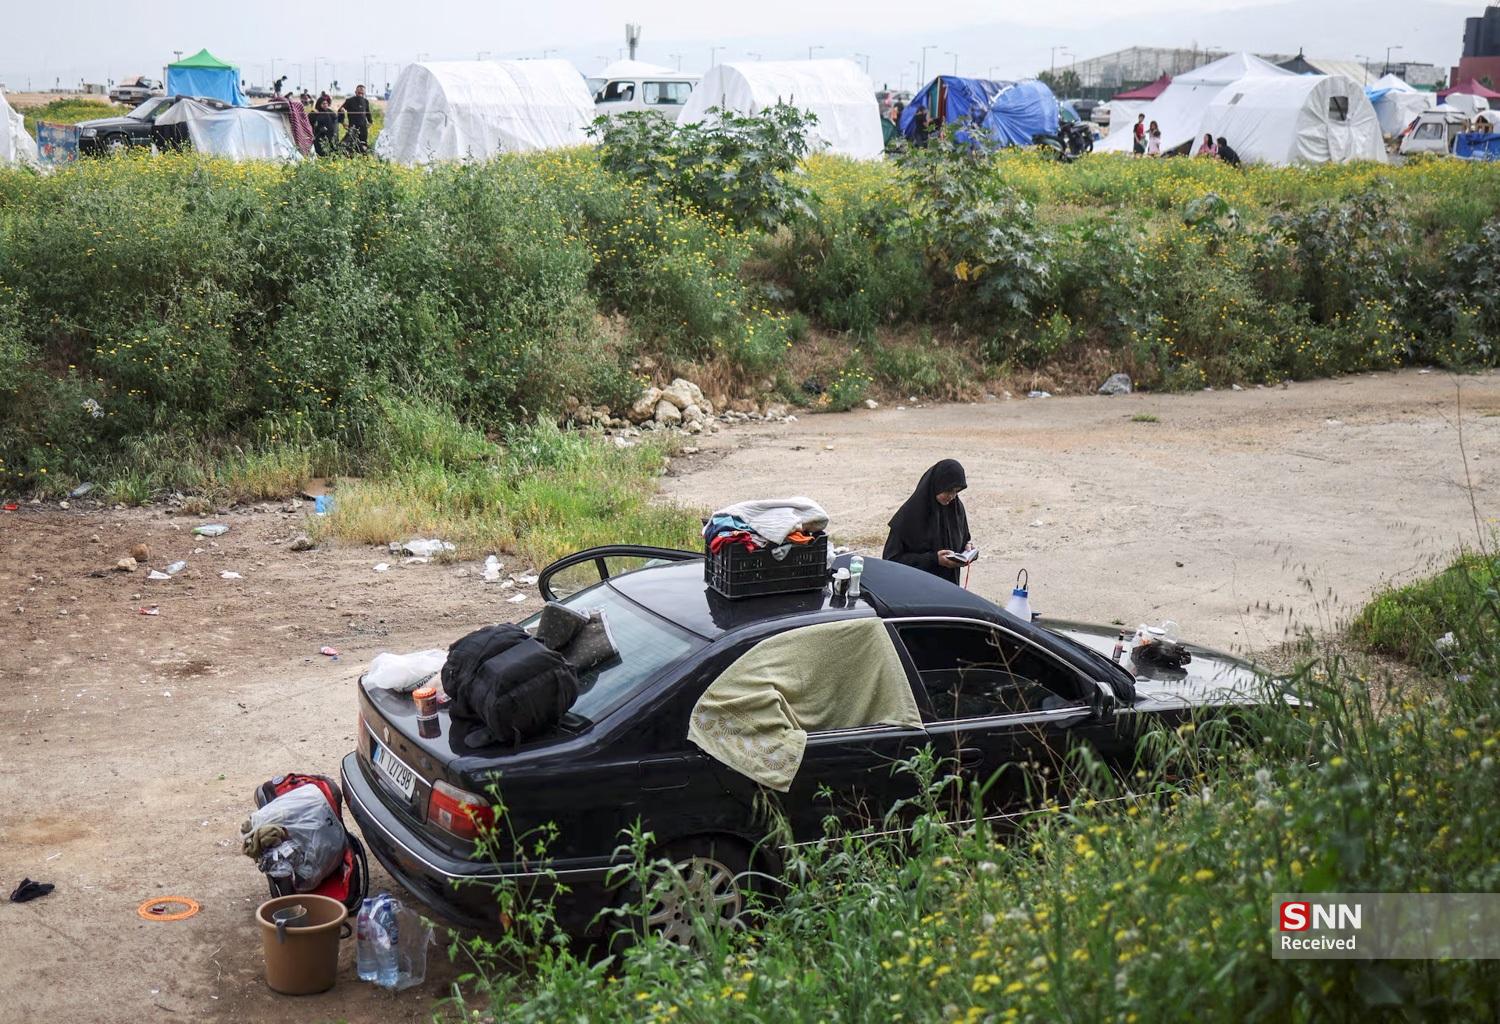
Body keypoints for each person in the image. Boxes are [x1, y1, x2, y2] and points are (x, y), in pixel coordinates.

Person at [883, 460, 976, 585]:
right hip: (917, 589)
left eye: (956, 491)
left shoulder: (956, 510)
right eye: (949, 490)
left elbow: (964, 540)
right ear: (937, 485)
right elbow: (891, 560)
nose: (952, 496)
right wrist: (933, 559)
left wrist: (967, 550)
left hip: (949, 588)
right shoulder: (909, 515)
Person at [339, 84, 373, 154]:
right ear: (355, 92)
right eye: (359, 93)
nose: (360, 95)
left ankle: (363, 156)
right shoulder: (349, 101)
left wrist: (370, 121)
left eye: (362, 93)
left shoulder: (365, 101)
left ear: (364, 93)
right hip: (353, 126)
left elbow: (368, 112)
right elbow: (340, 110)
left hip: (363, 127)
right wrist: (343, 122)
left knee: (363, 144)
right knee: (349, 143)